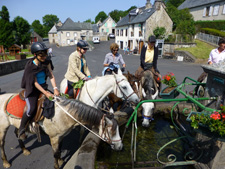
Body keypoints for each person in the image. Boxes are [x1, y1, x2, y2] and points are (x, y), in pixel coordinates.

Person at [18, 42, 60, 140]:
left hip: (43, 87)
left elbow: (51, 75)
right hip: (32, 89)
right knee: (31, 109)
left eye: (45, 54)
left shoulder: (47, 61)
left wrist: (55, 89)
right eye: (42, 56)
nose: (44, 57)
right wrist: (46, 93)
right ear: (35, 55)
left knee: (55, 101)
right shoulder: (30, 66)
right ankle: (21, 128)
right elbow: (35, 83)